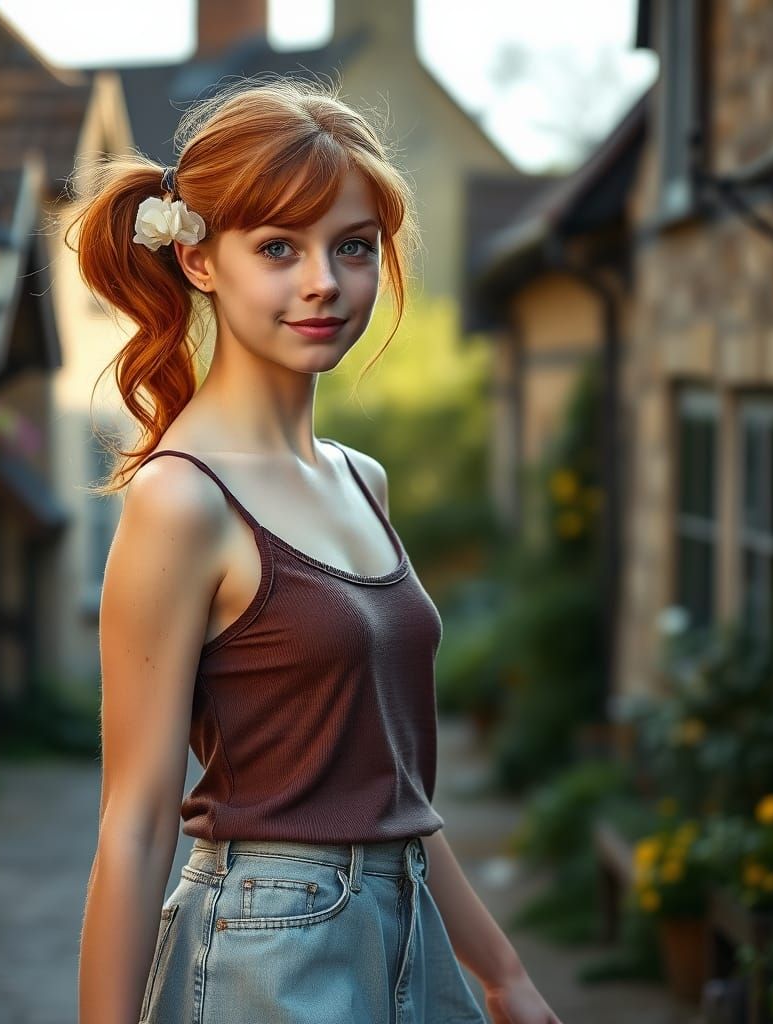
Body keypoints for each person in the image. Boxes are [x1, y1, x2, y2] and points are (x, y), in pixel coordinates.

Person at [67, 76, 563, 1024]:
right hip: (270, 948)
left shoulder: (361, 480)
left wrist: (503, 973)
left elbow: (391, 792)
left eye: (352, 247)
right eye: (277, 249)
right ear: (201, 260)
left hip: (408, 930)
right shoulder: (182, 501)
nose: (323, 282)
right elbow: (131, 826)